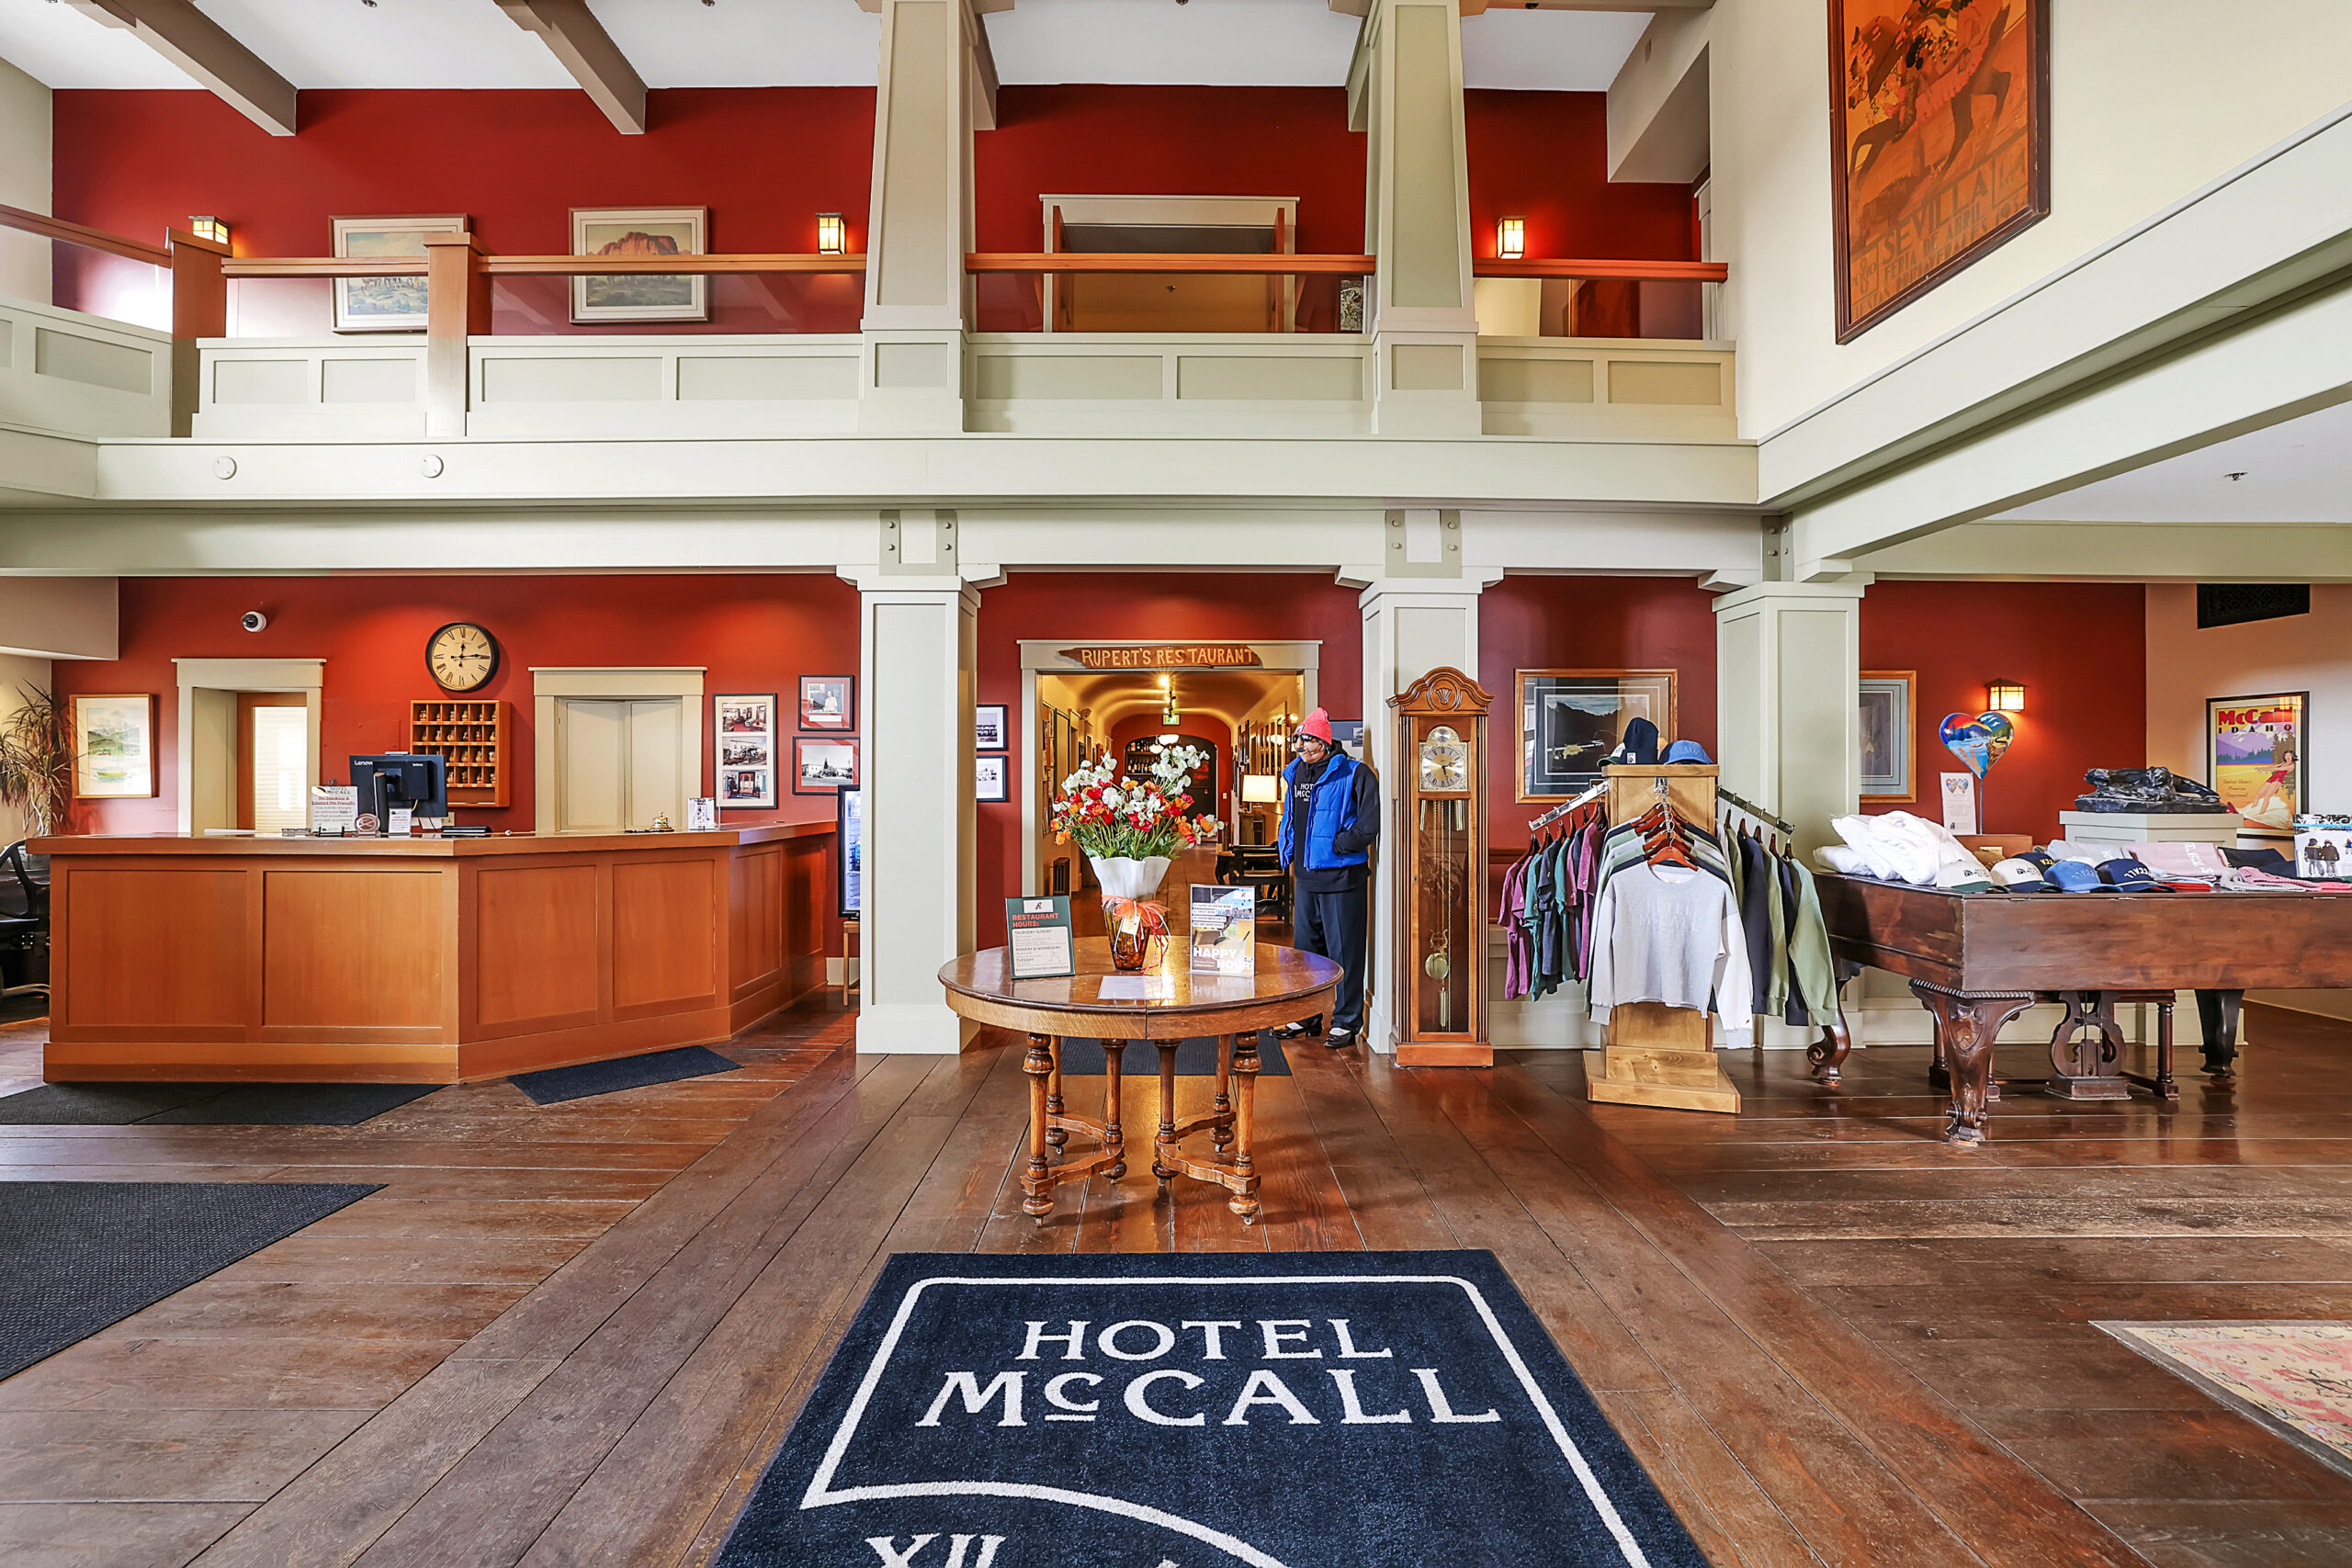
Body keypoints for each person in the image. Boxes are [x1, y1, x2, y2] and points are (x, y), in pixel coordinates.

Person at [1274, 708, 1380, 1047]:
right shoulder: (1296, 773)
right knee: (1306, 954)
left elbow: (1369, 824)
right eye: (1298, 741)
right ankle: (1307, 1016)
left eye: (1308, 741)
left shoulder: (1355, 773)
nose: (1301, 748)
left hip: (1342, 877)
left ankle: (1347, 1021)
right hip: (1306, 876)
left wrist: (1340, 845)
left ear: (1324, 741)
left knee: (1345, 952)